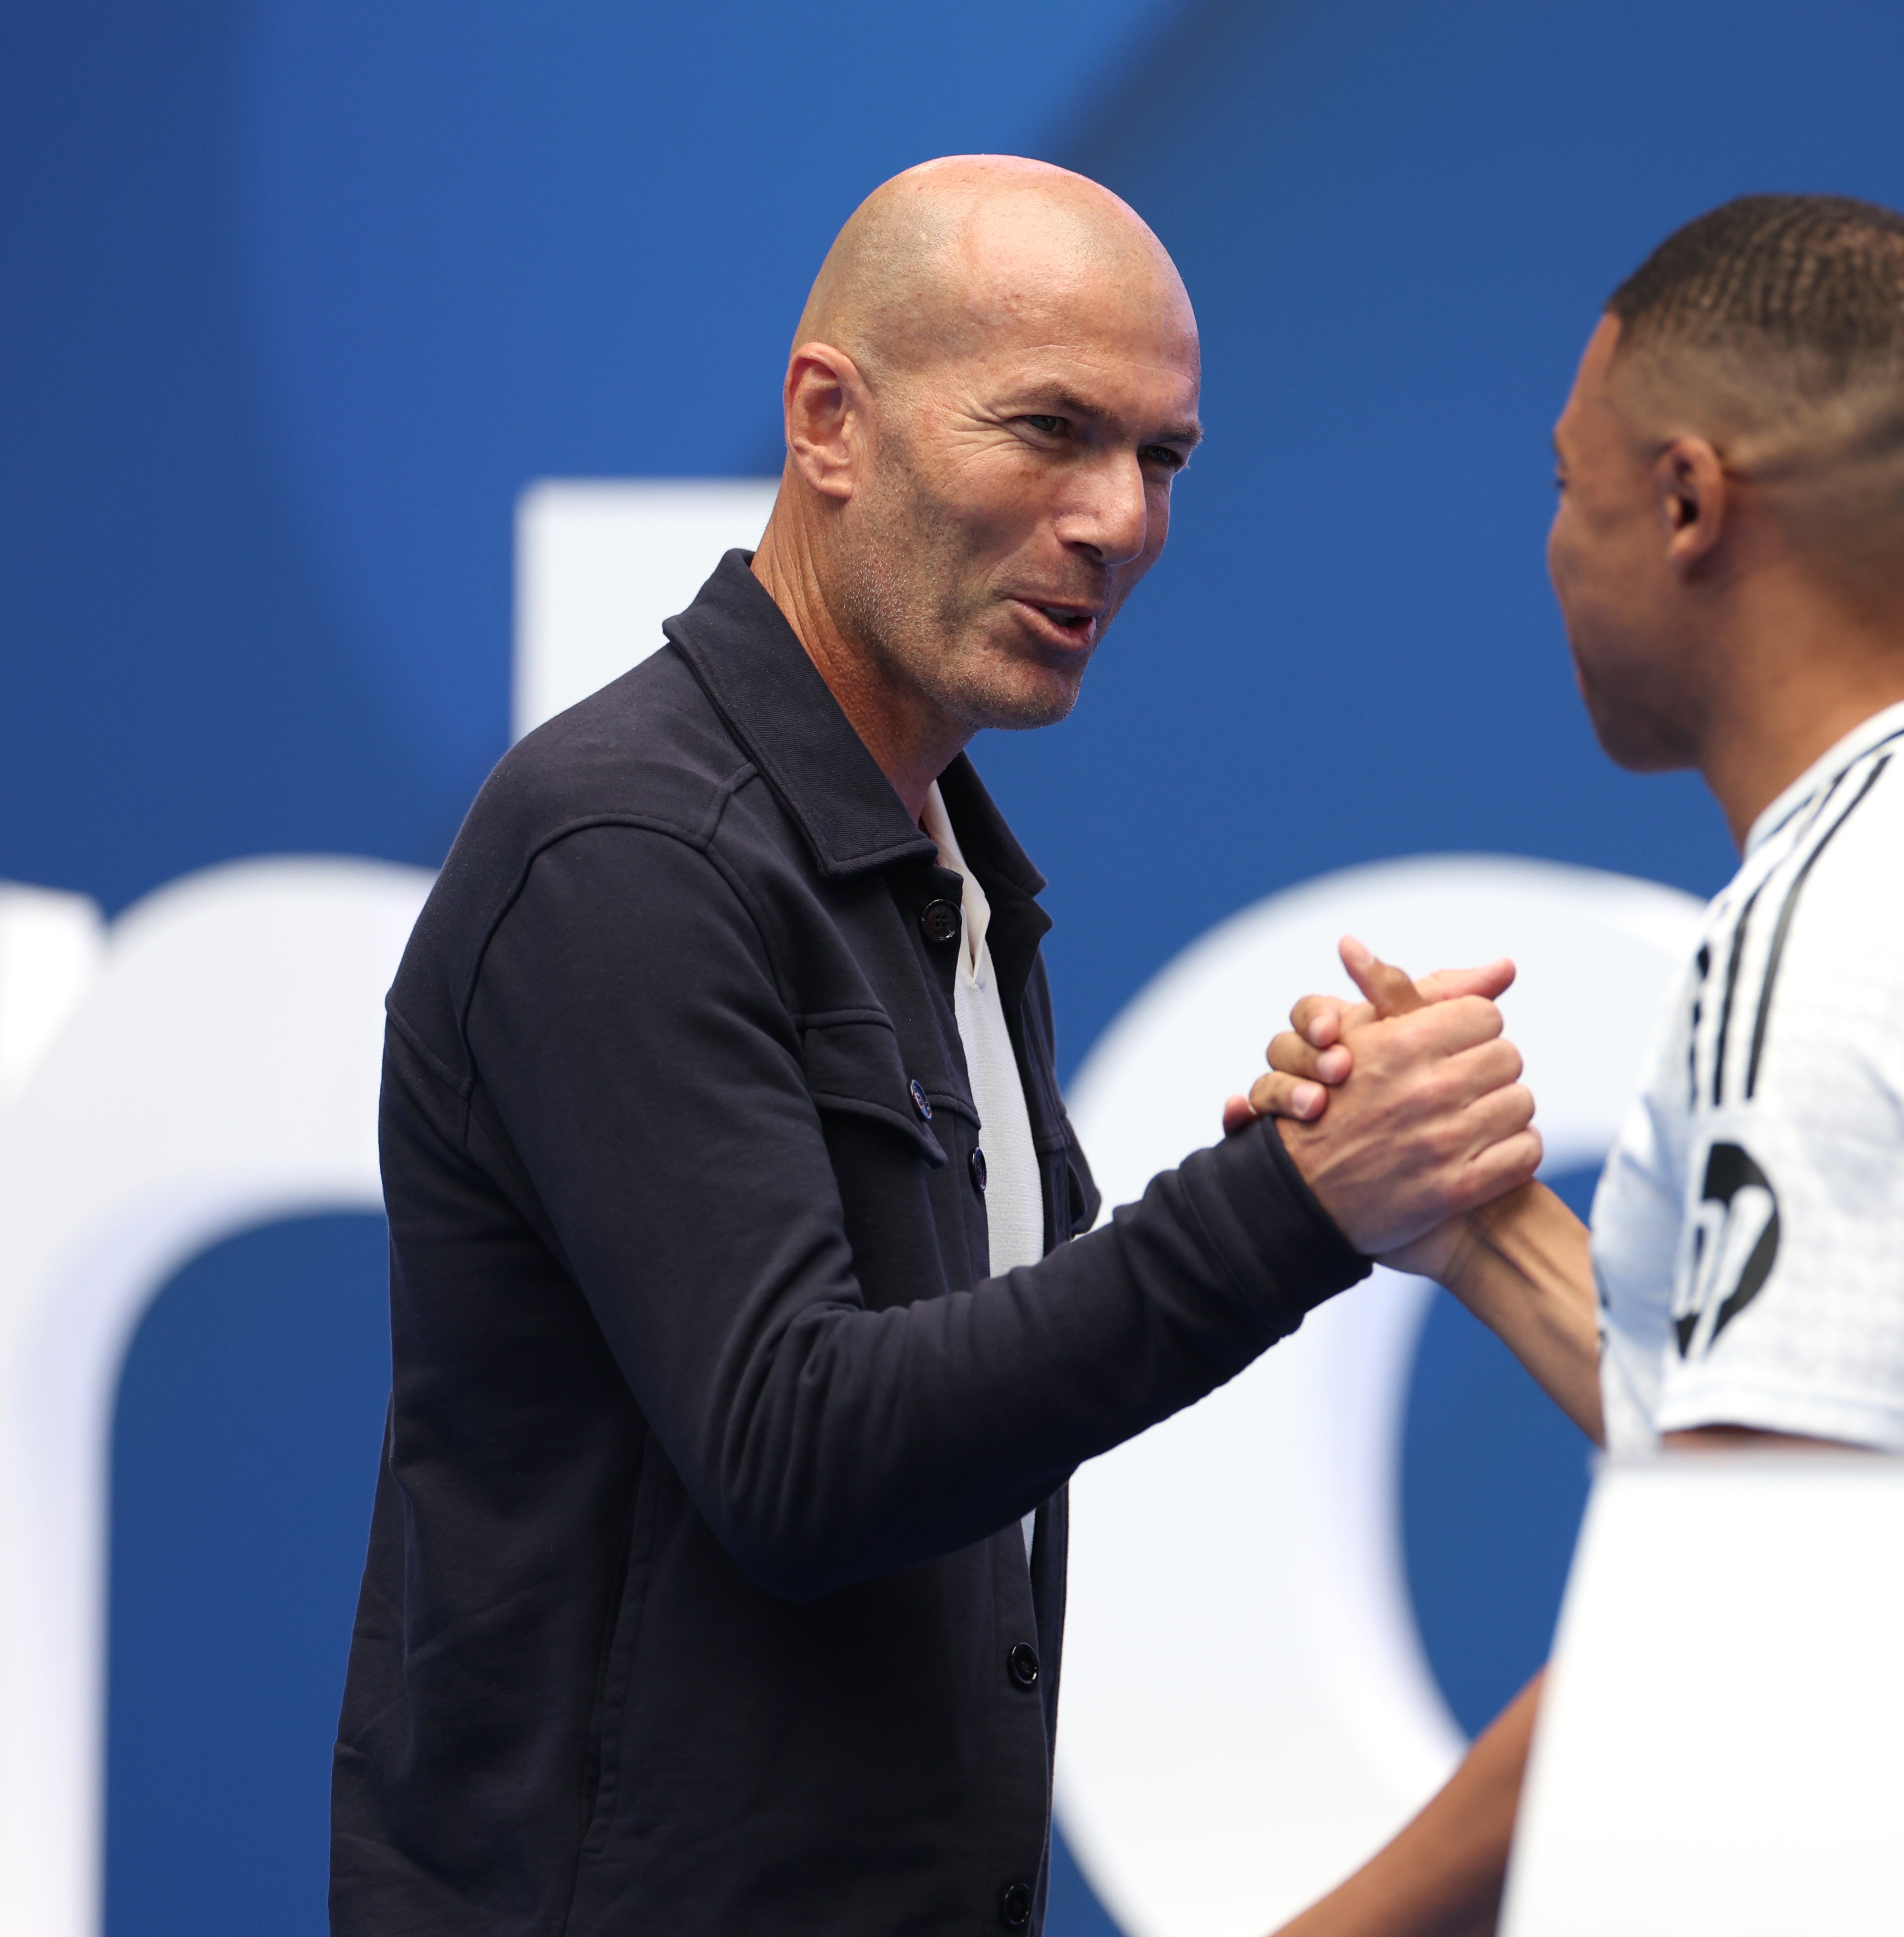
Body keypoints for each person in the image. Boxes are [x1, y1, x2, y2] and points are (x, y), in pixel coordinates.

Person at [331, 157, 1542, 1935]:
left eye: (1162, 459)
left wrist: (1296, 1171)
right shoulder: (626, 848)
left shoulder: (941, 866)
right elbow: (803, 1451)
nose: (1117, 519)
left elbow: (935, 1404)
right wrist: (1287, 1204)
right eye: (1049, 430)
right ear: (830, 421)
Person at [1227, 193, 1904, 1937]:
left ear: (1688, 501)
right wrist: (1476, 1224)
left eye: (1568, 486)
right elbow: (1875, 1448)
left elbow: (1741, 1601)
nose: (1551, 545)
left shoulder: (1837, 917)